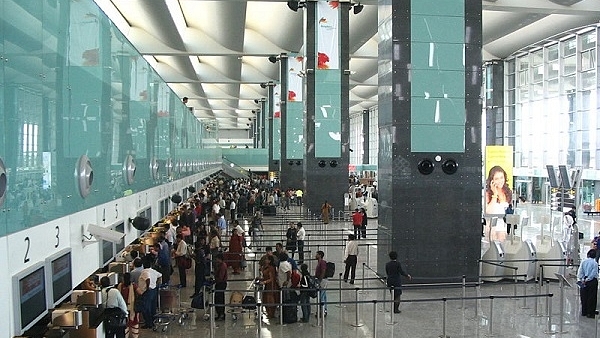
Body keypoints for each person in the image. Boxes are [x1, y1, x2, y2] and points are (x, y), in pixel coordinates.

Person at [137, 256, 162, 329]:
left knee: (146, 308)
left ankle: (148, 323)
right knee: (152, 307)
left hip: (148, 291)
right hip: (154, 290)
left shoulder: (145, 271)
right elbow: (160, 275)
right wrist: (158, 284)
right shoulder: (153, 271)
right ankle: (153, 321)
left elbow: (148, 279)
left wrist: (147, 287)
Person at [577, 249, 599, 318]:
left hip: (583, 281)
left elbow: (580, 271)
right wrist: (588, 279)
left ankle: (584, 311)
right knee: (591, 297)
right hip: (592, 281)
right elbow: (594, 273)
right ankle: (590, 313)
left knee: (584, 297)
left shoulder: (583, 261)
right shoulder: (595, 263)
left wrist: (582, 279)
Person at [118, 273, 139, 338]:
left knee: (125, 323)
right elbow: (139, 293)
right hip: (132, 308)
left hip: (122, 308)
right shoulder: (134, 286)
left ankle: (126, 336)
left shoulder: (120, 286)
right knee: (134, 323)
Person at [260, 255, 278, 319]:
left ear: (270, 261)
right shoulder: (265, 267)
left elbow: (271, 278)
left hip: (271, 286)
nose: (265, 260)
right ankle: (269, 313)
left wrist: (264, 282)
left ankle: (271, 313)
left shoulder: (271, 268)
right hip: (267, 286)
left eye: (267, 259)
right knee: (265, 300)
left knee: (270, 300)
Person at [214, 253, 228, 321]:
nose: (216, 260)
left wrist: (216, 280)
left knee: (219, 299)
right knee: (219, 299)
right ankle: (220, 313)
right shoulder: (221, 265)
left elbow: (221, 277)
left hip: (221, 284)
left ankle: (221, 314)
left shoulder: (222, 266)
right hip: (220, 283)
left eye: (217, 259)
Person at [314, 250, 328, 316]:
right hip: (320, 279)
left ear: (320, 255)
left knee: (321, 296)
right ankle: (324, 309)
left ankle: (322, 311)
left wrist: (320, 280)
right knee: (323, 295)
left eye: (316, 254)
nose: (315, 255)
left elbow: (323, 271)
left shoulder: (322, 262)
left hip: (322, 280)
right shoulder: (319, 262)